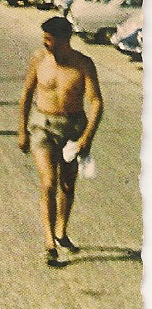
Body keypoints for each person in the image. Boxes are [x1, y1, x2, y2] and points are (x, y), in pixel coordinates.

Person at [19, 16, 103, 267]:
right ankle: (49, 242)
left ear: (65, 40)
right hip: (42, 127)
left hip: (73, 128)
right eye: (44, 39)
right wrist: (22, 130)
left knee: (67, 185)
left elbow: (96, 102)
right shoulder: (38, 60)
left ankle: (61, 232)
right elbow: (26, 94)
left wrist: (87, 137)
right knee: (48, 184)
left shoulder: (83, 65)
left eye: (50, 40)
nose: (46, 44)